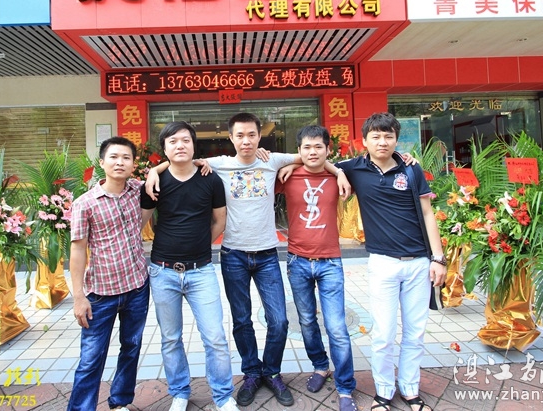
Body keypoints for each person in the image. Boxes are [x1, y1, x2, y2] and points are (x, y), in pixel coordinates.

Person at [146, 112, 348, 407]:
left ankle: (272, 371)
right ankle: (252, 372)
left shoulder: (273, 160)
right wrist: (155, 170)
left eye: (252, 135)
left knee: (279, 320)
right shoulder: (219, 164)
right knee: (241, 321)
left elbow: (310, 156)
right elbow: (183, 159)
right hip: (233, 256)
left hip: (267, 255)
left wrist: (338, 172)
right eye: (239, 135)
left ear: (259, 136)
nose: (246, 141)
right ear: (231, 138)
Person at [335, 112, 447, 411]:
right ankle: (384, 391)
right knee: (383, 335)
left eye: (388, 136)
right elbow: (319, 160)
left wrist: (438, 258)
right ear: (364, 141)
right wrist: (339, 173)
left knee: (415, 332)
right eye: (376, 136)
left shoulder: (411, 169)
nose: (382, 142)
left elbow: (428, 214)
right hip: (382, 264)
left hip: (419, 262)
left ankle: (410, 390)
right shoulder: (354, 167)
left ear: (397, 139)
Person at [139, 121, 238, 411]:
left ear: (194, 145)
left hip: (202, 271)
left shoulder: (210, 179)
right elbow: (140, 223)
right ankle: (180, 393)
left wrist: (199, 245)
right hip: (163, 272)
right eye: (172, 141)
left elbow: (220, 220)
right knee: (171, 339)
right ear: (165, 148)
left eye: (185, 140)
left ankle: (223, 397)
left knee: (215, 338)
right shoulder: (156, 182)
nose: (179, 145)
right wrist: (152, 172)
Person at [67, 136, 153, 411]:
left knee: (131, 347)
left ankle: (120, 402)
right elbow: (77, 250)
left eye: (126, 158)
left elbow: (169, 171)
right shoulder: (85, 203)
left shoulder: (138, 190)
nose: (120, 162)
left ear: (133, 164)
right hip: (101, 294)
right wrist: (78, 297)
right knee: (91, 358)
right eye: (114, 157)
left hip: (137, 287)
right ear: (102, 162)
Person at [276, 125, 358, 411]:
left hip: (330, 262)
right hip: (297, 261)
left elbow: (376, 159)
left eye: (318, 147)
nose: (313, 152)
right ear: (299, 151)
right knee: (307, 321)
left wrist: (338, 171)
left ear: (327, 150)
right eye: (307, 147)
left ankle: (345, 387)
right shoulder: (287, 175)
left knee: (337, 327)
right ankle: (320, 365)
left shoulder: (339, 175)